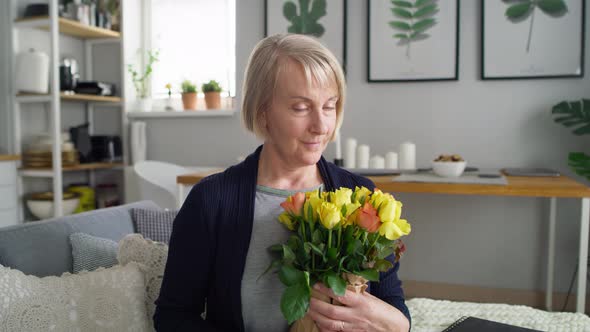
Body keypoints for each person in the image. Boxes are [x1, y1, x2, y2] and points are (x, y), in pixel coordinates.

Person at [154, 33, 411, 332]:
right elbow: (173, 318)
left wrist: (388, 322)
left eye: (329, 106)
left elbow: (397, 313)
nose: (321, 126)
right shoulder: (211, 201)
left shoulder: (362, 197)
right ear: (262, 111)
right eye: (301, 108)